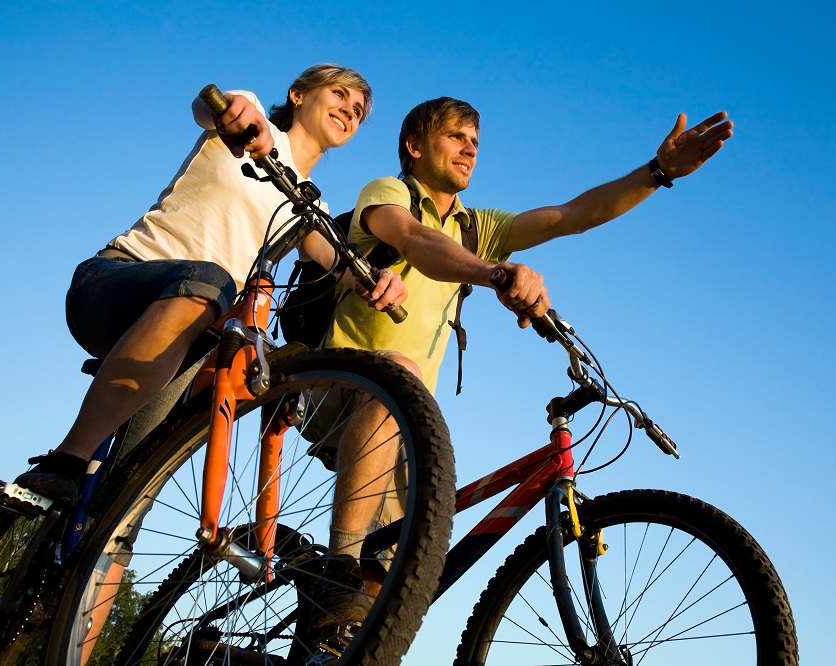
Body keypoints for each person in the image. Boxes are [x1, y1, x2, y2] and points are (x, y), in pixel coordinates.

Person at [304, 96, 734, 624]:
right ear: (414, 146)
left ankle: (330, 637)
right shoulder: (390, 194)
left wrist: (657, 172)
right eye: (455, 136)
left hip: (405, 420)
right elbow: (415, 241)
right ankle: (337, 565)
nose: (470, 149)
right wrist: (495, 273)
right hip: (341, 382)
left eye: (475, 141)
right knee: (398, 386)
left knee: (379, 596)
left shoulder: (476, 227)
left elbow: (572, 216)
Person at [14, 64, 406, 506]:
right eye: (339, 95)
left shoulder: (309, 205)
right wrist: (232, 112)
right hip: (116, 282)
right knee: (211, 281)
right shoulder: (250, 120)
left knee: (128, 496)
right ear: (298, 94)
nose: (349, 111)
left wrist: (378, 280)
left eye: (358, 111)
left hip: (188, 336)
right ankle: (66, 459)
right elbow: (208, 107)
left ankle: (87, 541)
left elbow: (340, 262)